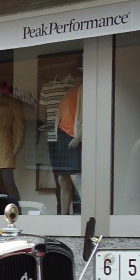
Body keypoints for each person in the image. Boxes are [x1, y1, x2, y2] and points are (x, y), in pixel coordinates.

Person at [50, 82, 82, 214]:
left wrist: (79, 136)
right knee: (62, 178)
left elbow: (88, 114)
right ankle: (64, 215)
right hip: (63, 134)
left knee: (75, 176)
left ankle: (89, 211)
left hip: (73, 135)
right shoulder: (69, 90)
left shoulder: (85, 88)